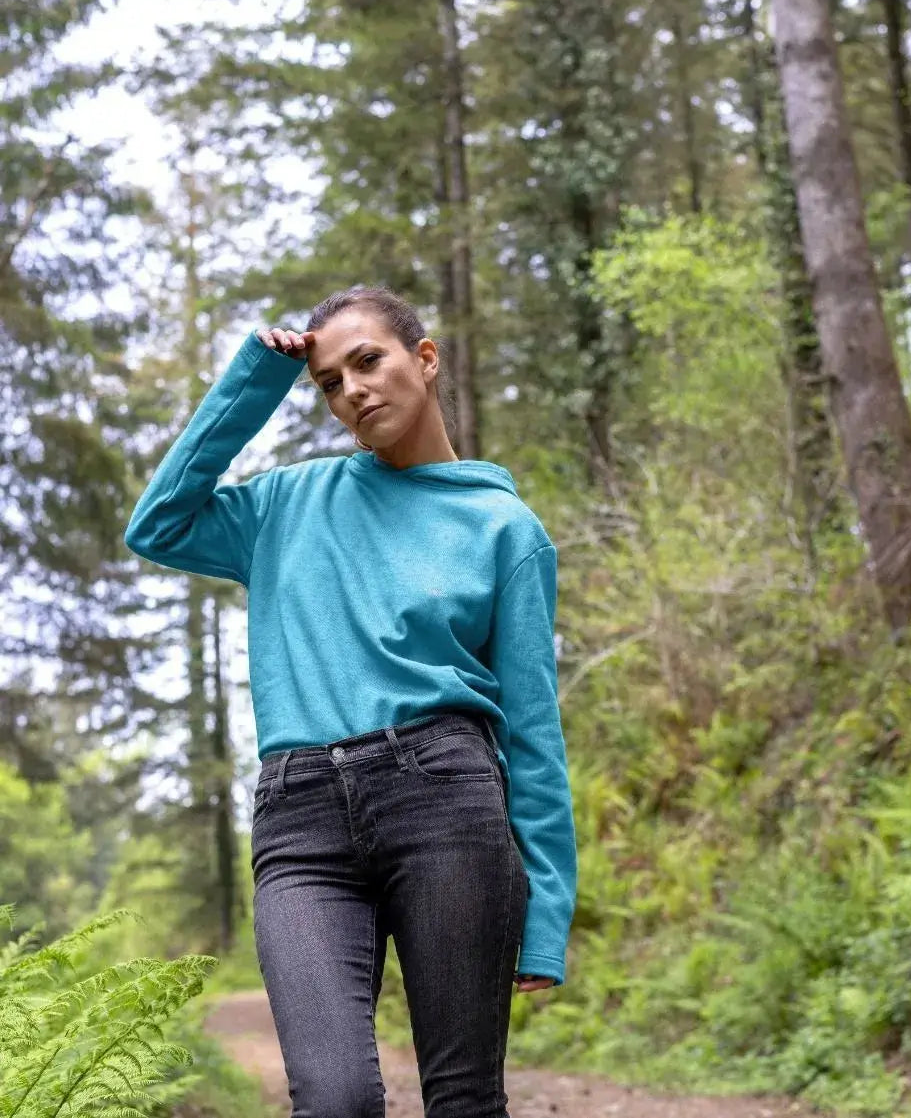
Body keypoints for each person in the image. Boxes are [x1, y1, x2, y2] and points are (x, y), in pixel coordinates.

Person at [123, 285, 578, 1118]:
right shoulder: (287, 504)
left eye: (368, 360)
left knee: (465, 1098)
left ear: (426, 358)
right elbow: (157, 524)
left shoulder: (503, 527)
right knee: (332, 1098)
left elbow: (535, 732)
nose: (353, 391)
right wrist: (257, 379)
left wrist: (549, 906)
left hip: (448, 800)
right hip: (301, 819)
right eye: (330, 382)